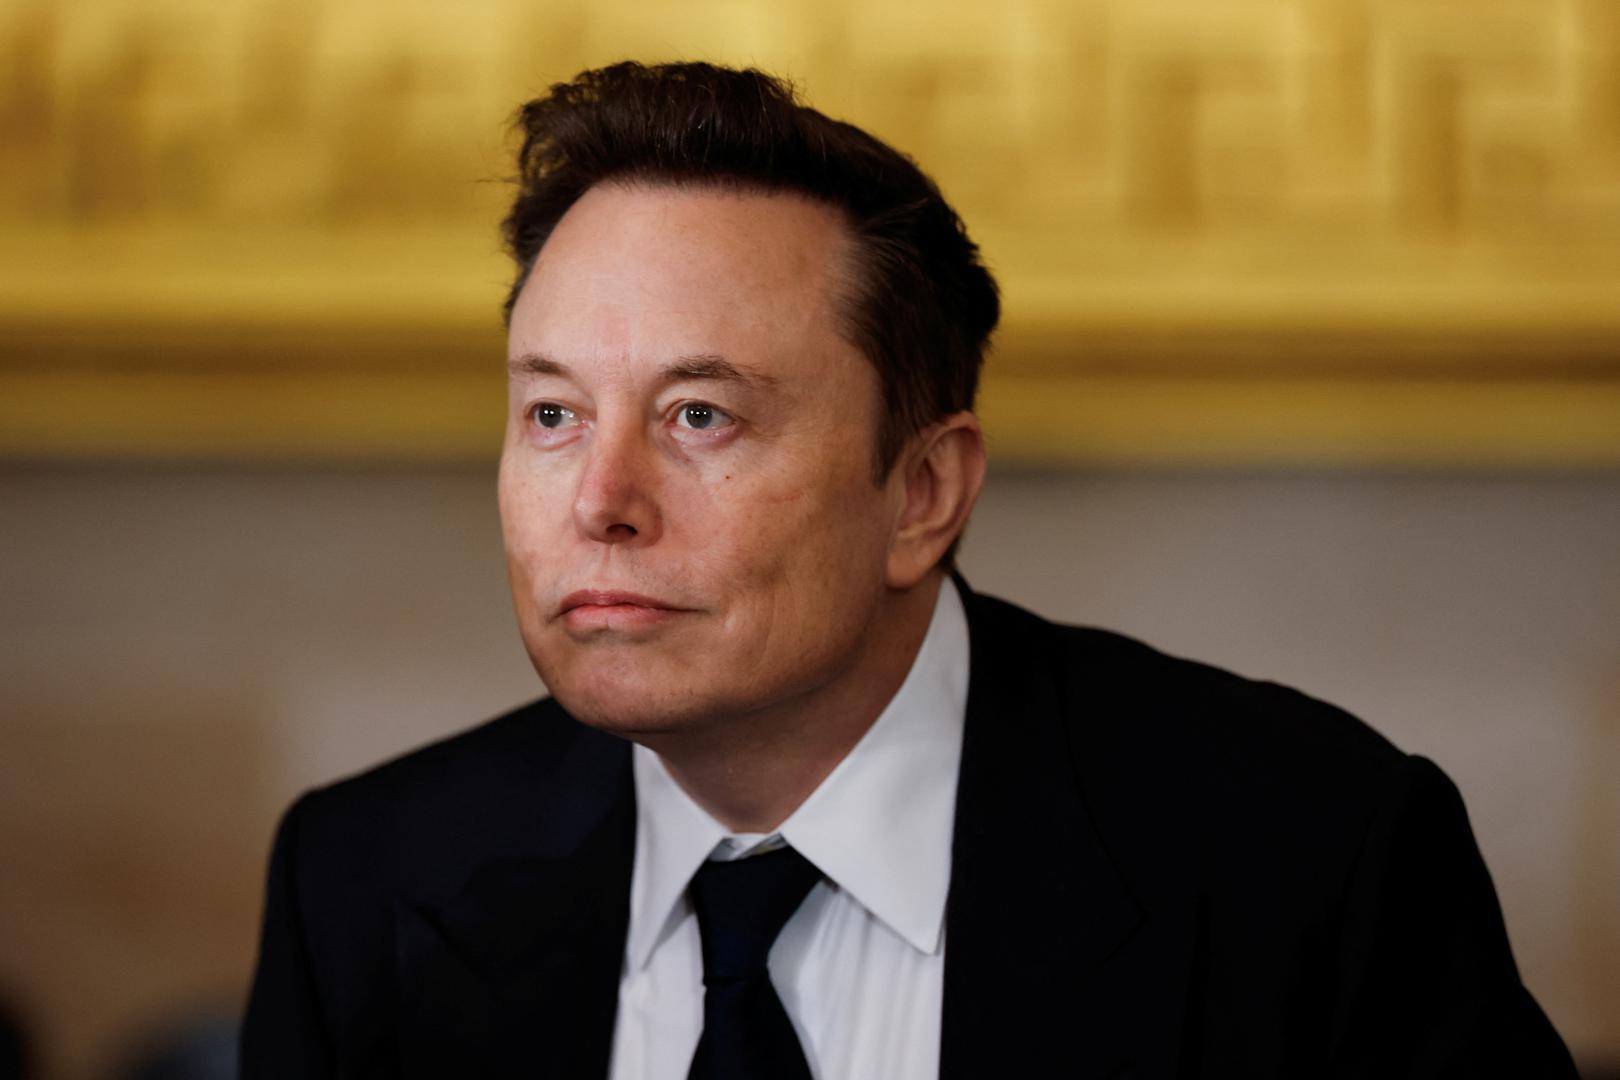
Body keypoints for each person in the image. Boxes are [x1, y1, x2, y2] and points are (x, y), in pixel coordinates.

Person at [241, 61, 1577, 1078]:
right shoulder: (361, 878)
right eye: (552, 413)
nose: (601, 500)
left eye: (700, 416)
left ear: (924, 492)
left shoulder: (1315, 861)